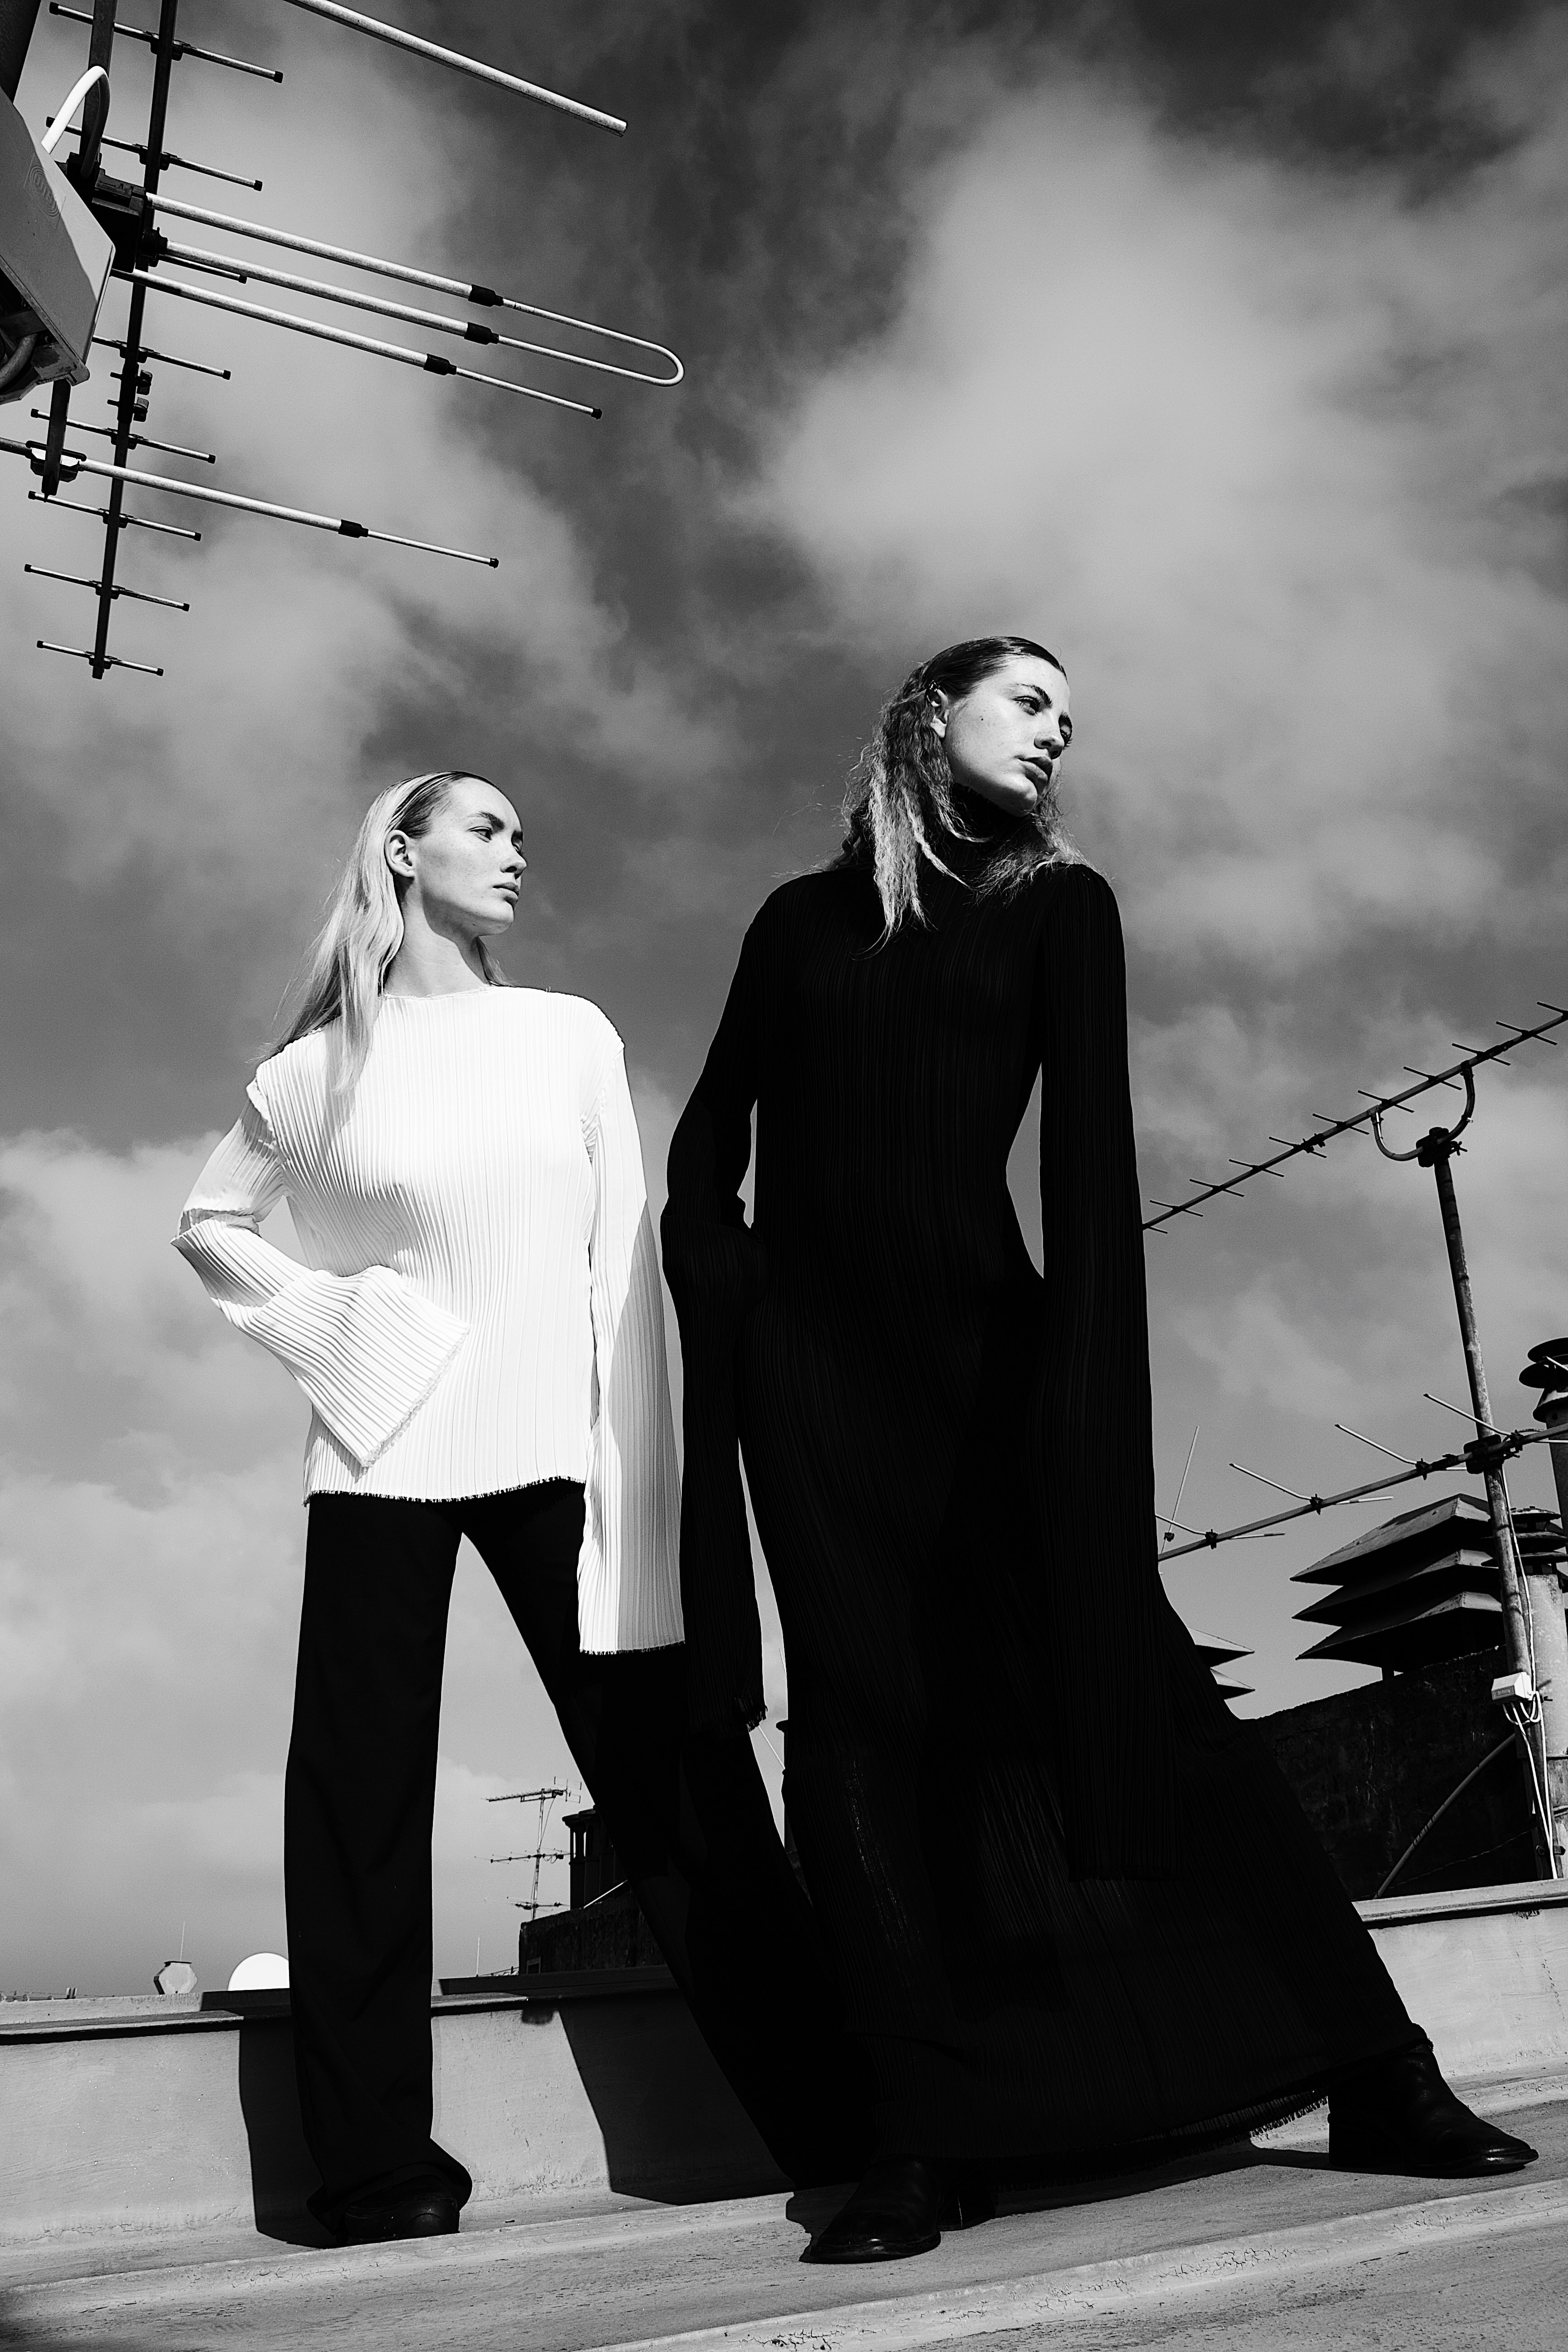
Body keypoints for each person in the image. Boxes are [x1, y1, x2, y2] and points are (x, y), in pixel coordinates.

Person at [661, 637, 1537, 2266]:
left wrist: (1082, 1397)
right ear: (932, 716)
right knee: (865, 1730)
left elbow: (1090, 1165)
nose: (1060, 733)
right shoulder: (797, 921)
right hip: (814, 1386)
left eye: (1072, 718)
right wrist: (725, 1278)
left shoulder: (1066, 908)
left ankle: (1374, 2070)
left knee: (1135, 1695)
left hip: (994, 1366)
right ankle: (921, 2135)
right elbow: (711, 1135)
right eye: (1030, 703)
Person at [175, 770, 853, 2244]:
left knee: (676, 1779)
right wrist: (353, 1330)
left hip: (568, 1439)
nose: (516, 848)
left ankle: (834, 2120)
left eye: (521, 831)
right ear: (401, 852)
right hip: (377, 1449)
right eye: (484, 827)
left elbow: (624, 1260)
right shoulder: (308, 1073)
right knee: (353, 1804)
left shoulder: (566, 1034)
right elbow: (208, 1226)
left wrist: (646, 1463)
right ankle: (370, 2173)